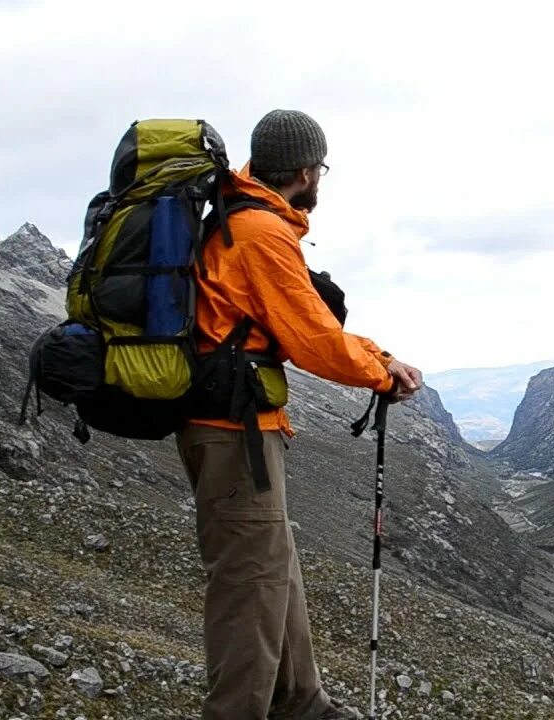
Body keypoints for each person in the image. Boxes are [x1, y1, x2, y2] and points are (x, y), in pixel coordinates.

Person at [176, 109, 422, 719]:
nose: (321, 182)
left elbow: (296, 326)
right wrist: (379, 372)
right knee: (249, 589)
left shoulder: (247, 221)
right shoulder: (261, 233)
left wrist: (379, 356)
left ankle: (301, 703)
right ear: (308, 170)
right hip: (234, 433)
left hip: (241, 426)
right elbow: (313, 339)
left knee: (272, 566)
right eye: (322, 169)